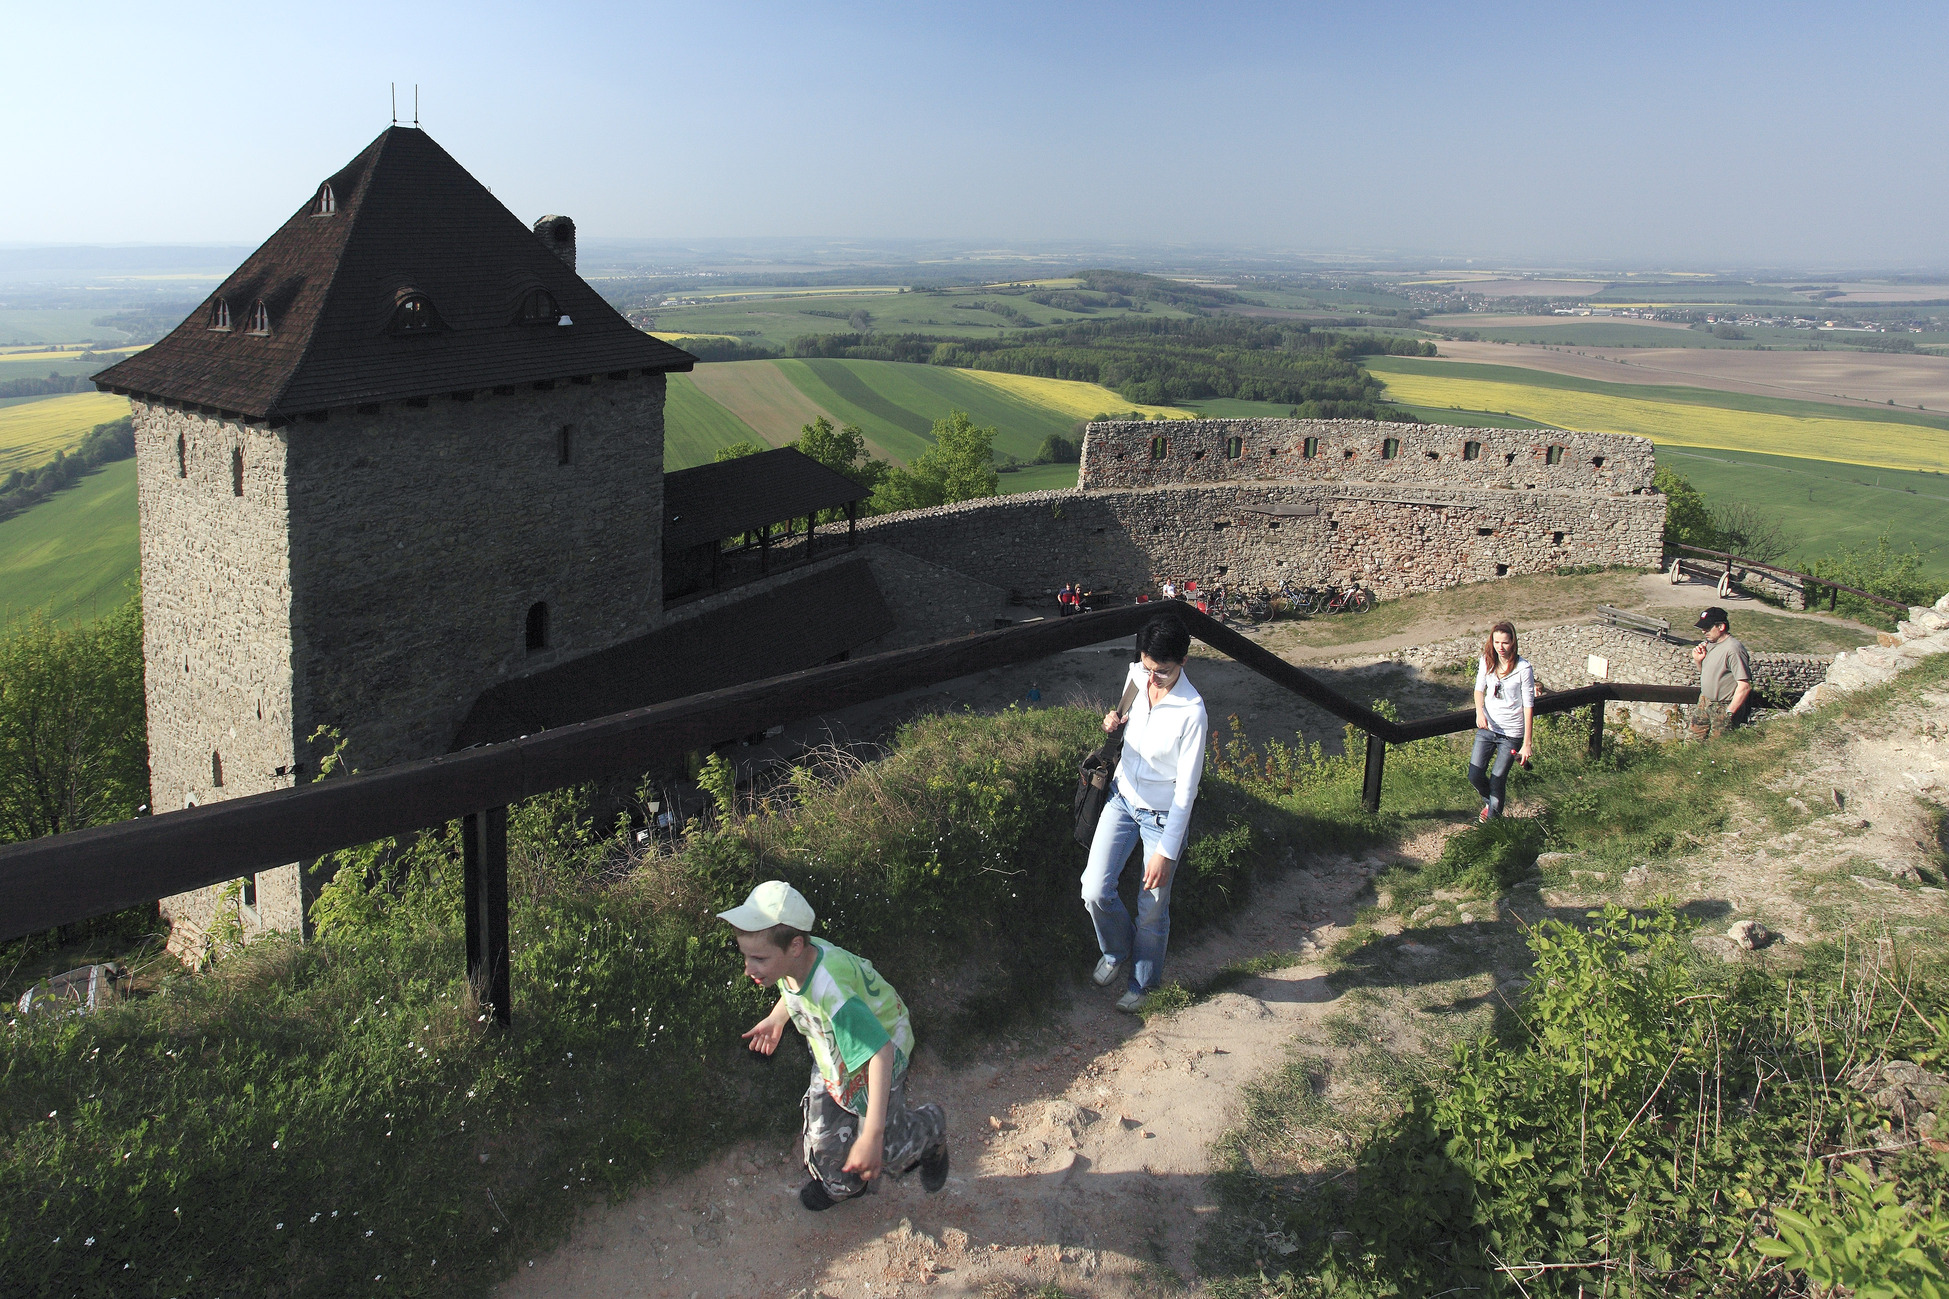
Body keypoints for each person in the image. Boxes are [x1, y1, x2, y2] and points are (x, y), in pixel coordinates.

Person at [723, 880, 949, 1212]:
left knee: (886, 1147)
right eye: (746, 957)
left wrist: (872, 1135)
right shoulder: (795, 961)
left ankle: (931, 1130)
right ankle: (844, 1184)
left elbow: (880, 1051)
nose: (748, 969)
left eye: (758, 958)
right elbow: (794, 989)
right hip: (835, 1052)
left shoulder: (833, 991)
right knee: (823, 1134)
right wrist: (777, 1019)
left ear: (795, 946)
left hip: (880, 1049)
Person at [1081, 613, 1210, 1012]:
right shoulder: (1138, 675)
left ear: (1183, 663)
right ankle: (1117, 952)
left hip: (1162, 816)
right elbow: (1127, 719)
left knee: (1152, 909)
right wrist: (1113, 720)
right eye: (1149, 667)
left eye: (1163, 672)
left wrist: (1166, 852)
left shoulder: (1192, 711)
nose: (1152, 678)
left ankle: (1143, 982)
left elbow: (1187, 792)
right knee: (1094, 890)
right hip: (1122, 797)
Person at [1470, 620, 1534, 822]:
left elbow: (1528, 705)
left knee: (1498, 778)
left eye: (1505, 643)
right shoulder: (1487, 660)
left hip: (1511, 732)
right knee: (1475, 774)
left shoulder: (1523, 668)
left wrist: (1526, 743)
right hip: (1488, 726)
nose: (1501, 647)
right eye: (1497, 642)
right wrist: (1480, 712)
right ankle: (1490, 804)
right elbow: (1479, 689)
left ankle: (1492, 826)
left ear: (1513, 642)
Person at [1691, 606, 1753, 739]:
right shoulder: (1709, 645)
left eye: (1708, 628)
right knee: (1693, 742)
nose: (1703, 631)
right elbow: (1709, 674)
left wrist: (1729, 713)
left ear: (1721, 627)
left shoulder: (1733, 649)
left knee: (1717, 746)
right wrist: (1698, 661)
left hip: (1722, 704)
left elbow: (1744, 686)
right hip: (1705, 701)